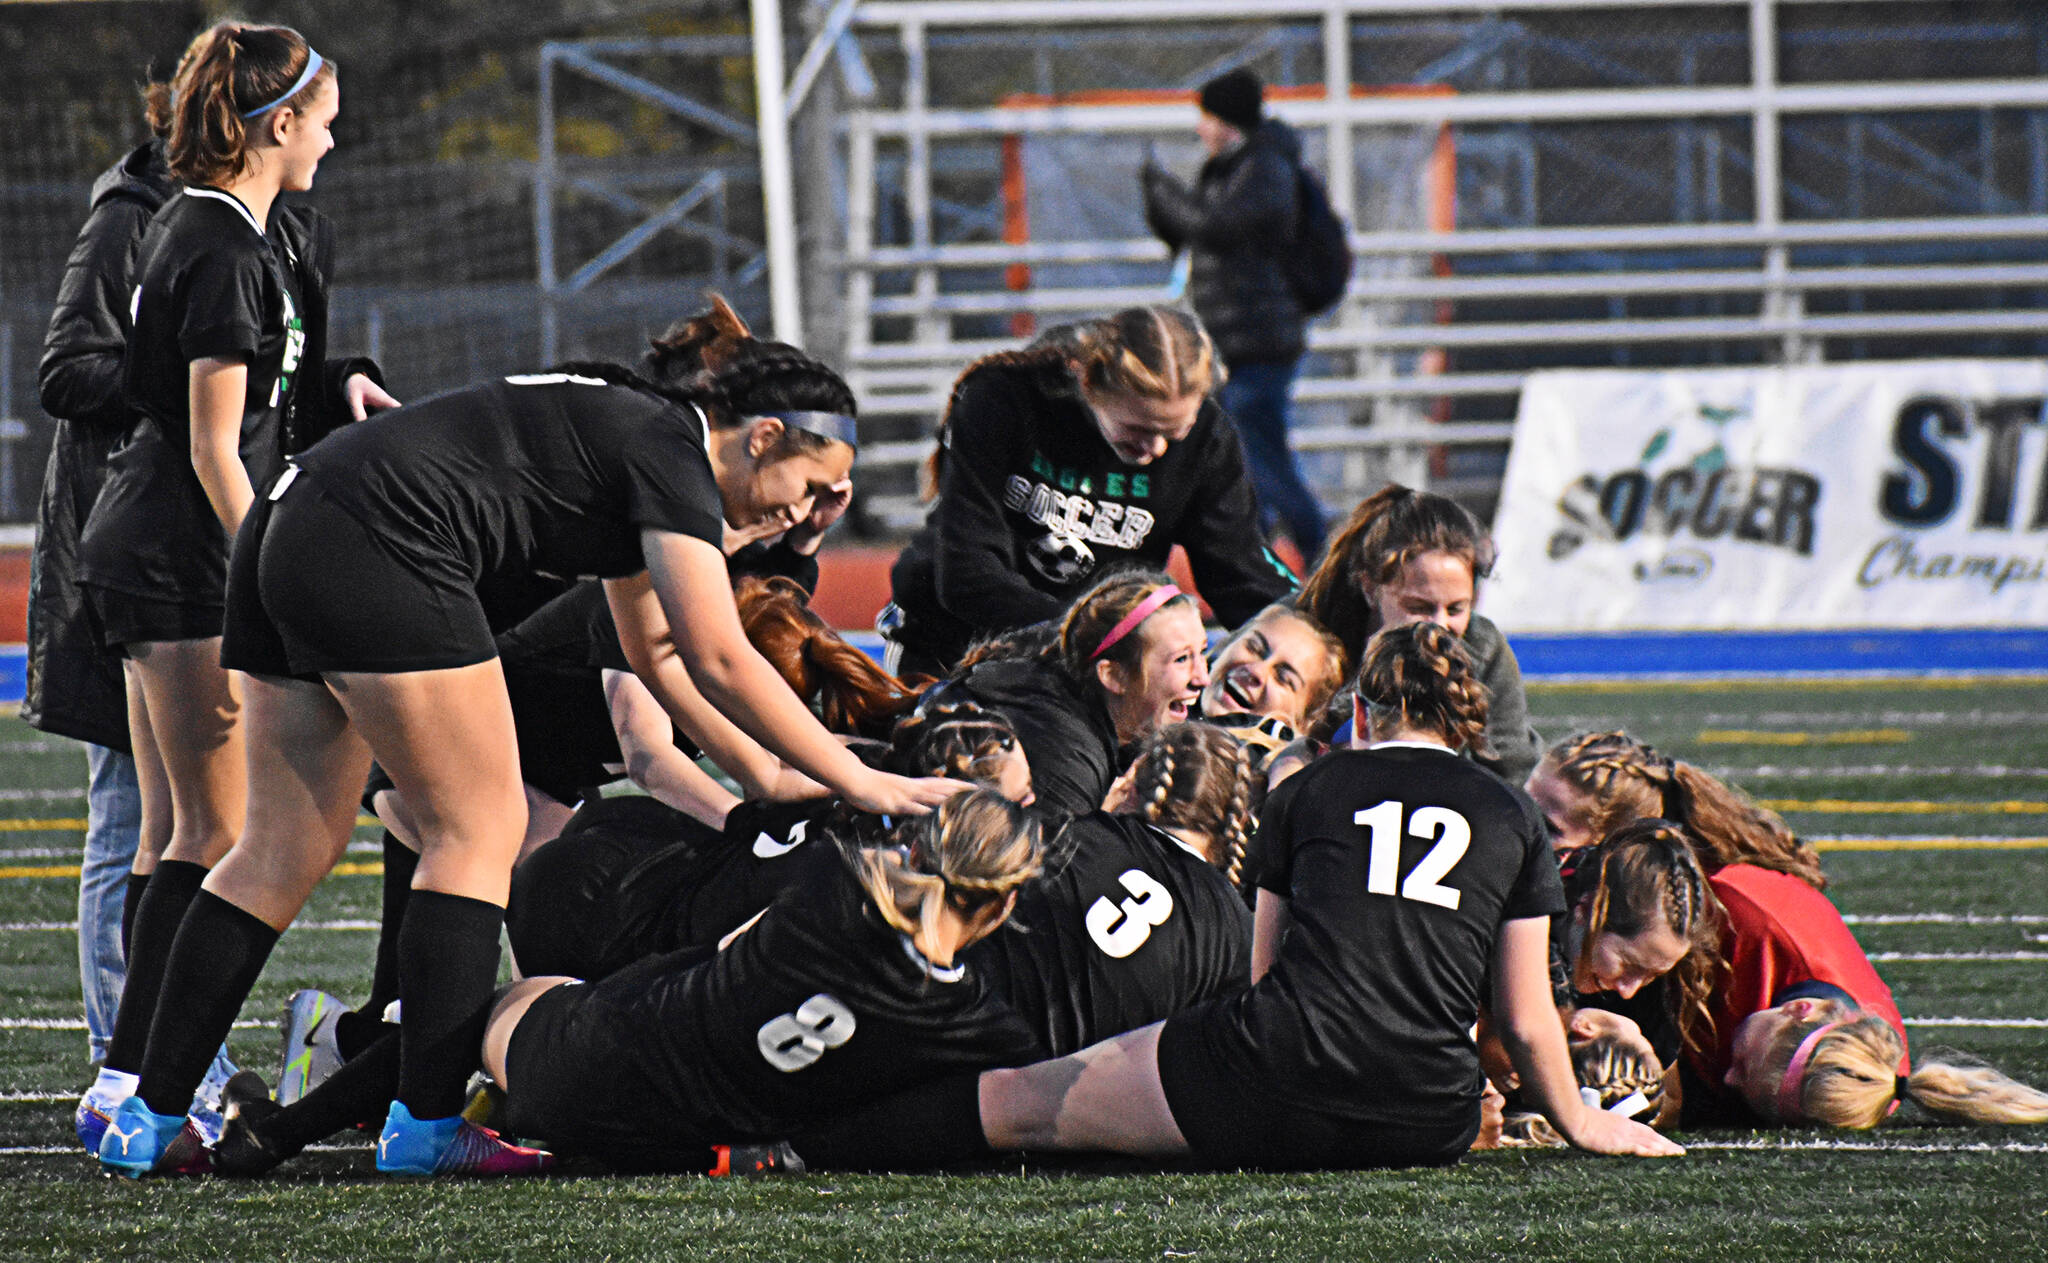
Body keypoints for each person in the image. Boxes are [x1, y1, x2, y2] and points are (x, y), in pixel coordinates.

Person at [93, 299, 967, 1179]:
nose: (813, 509)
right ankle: (427, 1128)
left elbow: (654, 650)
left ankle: (148, 1114)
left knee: (281, 848)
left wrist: (767, 776)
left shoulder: (639, 438)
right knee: (477, 830)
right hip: (379, 538)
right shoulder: (676, 452)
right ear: (763, 435)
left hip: (293, 515)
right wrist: (867, 784)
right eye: (813, 485)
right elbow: (718, 655)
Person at [787, 622, 1680, 1173]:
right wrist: (1581, 1123)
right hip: (1427, 1113)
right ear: (1466, 726)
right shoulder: (1512, 816)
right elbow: (1526, 1018)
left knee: (1019, 1103)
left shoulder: (1307, 791)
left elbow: (1265, 975)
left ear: (1362, 713)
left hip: (1280, 1072)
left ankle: (794, 1144)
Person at [71, 22, 394, 1160]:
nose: (334, 137)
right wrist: (276, 573)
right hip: (176, 554)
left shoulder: (240, 230)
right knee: (207, 830)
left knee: (180, 831)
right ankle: (137, 1087)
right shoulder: (215, 241)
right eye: (324, 118)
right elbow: (215, 447)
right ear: (277, 125)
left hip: (162, 547)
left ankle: (125, 1083)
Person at [32, 34, 188, 1078]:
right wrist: (197, 373)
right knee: (134, 811)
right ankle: (122, 1053)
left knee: (186, 818)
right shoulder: (130, 219)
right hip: (123, 556)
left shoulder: (253, 225)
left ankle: (163, 1048)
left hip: (190, 555)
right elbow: (66, 371)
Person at [884, 307, 1295, 676]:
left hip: (1094, 661)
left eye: (1175, 432)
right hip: (957, 645)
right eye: (1138, 430)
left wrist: (1306, 634)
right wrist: (1104, 633)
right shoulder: (1004, 399)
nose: (1156, 450)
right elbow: (968, 573)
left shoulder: (1208, 439)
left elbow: (1239, 571)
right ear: (1088, 382)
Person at [503, 701, 1034, 982]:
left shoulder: (858, 779)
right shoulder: (863, 885)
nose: (1034, 814)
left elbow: (773, 770)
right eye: (1023, 800)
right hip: (604, 936)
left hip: (629, 852)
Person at [963, 721, 1257, 1057]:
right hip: (1062, 1096)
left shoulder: (1067, 834)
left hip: (966, 1039)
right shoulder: (1238, 932)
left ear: (1132, 782)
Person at [1141, 67, 1326, 560]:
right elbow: (1193, 234)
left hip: (1259, 339)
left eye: (1207, 116)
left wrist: (1164, 194)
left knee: (1261, 453)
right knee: (1240, 457)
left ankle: (1317, 546)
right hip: (1232, 339)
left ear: (1227, 119)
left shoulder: (1265, 167)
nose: (1200, 127)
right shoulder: (1231, 168)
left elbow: (1216, 227)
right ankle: (1260, 559)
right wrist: (1162, 207)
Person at [1293, 483, 1541, 784]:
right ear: (1370, 588)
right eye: (1419, 606)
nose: (1438, 625)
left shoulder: (1483, 648)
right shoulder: (1309, 631)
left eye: (1456, 609)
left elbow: (1511, 771)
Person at [950, 571, 1210, 820]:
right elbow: (1050, 864)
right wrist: (1104, 823)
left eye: (1203, 651)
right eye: (1181, 659)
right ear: (1112, 675)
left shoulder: (1106, 716)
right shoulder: (1065, 757)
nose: (1202, 678)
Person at [1525, 729, 1827, 889]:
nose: (1521, 829)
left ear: (1613, 848)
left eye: (1548, 827)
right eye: (1521, 806)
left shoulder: (1665, 922)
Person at [1720, 995, 2048, 1130]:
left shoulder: (1870, 1075)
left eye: (1743, 1066)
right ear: (1799, 1008)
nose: (1727, 1079)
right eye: (1744, 1063)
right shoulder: (1764, 928)